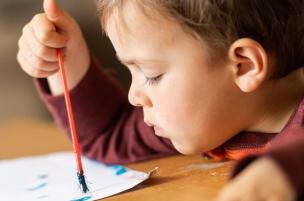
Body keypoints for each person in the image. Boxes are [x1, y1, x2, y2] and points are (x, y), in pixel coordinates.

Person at [17, 0, 304, 200]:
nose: (134, 95)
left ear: (244, 66)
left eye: (152, 75)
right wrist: (66, 61)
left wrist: (282, 172)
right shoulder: (216, 118)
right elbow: (109, 134)